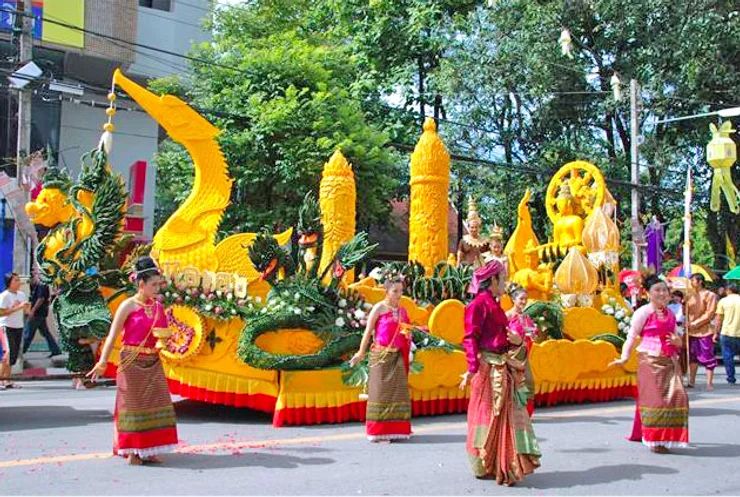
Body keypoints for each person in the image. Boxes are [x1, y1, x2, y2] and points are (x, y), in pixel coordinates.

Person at [87, 256, 178, 465]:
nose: (157, 288)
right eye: (153, 284)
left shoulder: (157, 307)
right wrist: (102, 362)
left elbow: (162, 336)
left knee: (154, 404)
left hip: (153, 362)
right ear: (141, 284)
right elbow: (112, 336)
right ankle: (133, 451)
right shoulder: (127, 306)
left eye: (159, 284)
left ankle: (149, 449)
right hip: (131, 363)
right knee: (133, 406)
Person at [460, 260, 540, 485]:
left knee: (504, 416)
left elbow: (502, 336)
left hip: (501, 365)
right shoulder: (478, 305)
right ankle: (485, 462)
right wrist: (472, 369)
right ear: (492, 281)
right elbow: (470, 338)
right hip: (488, 369)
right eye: (502, 279)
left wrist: (517, 342)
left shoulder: (494, 304)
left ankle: (498, 462)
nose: (505, 283)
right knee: (487, 415)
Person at [609, 275, 688, 453]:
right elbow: (631, 336)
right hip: (649, 360)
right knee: (656, 400)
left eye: (664, 290)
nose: (662, 293)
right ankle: (655, 440)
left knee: (677, 397)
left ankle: (665, 434)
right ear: (647, 293)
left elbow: (677, 336)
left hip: (669, 360)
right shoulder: (643, 312)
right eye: (657, 290)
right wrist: (624, 357)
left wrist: (678, 342)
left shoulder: (671, 314)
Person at [350, 274, 412, 442]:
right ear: (386, 291)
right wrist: (360, 353)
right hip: (381, 357)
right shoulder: (379, 308)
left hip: (397, 357)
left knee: (397, 395)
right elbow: (368, 332)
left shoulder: (403, 311)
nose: (399, 294)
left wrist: (408, 336)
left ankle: (397, 430)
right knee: (380, 395)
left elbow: (406, 332)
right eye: (395, 291)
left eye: (401, 291)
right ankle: (379, 432)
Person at [505, 284, 537, 416]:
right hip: (511, 355)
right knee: (511, 384)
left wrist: (533, 334)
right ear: (513, 299)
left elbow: (533, 334)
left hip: (524, 355)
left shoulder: (526, 318)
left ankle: (525, 413)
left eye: (526, 299)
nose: (524, 302)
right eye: (521, 299)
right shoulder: (507, 316)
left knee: (528, 382)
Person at [685, 274, 718, 390]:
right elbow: (686, 312)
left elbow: (710, 313)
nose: (691, 282)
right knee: (692, 357)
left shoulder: (710, 295)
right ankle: (692, 381)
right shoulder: (689, 295)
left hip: (705, 331)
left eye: (693, 280)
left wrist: (696, 323)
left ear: (700, 282)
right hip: (691, 331)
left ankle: (709, 383)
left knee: (707, 356)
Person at [0, 273, 31, 388]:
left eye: (19, 280)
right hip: (6, 326)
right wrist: (18, 307)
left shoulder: (22, 295)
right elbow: (1, 312)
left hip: (18, 326)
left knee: (13, 354)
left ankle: (7, 380)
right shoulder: (4, 296)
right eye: (16, 280)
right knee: (8, 352)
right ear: (9, 283)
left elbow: (26, 311)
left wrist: (27, 308)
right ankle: (1, 379)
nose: (19, 283)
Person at [22, 271, 62, 358]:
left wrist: (32, 311)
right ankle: (55, 350)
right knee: (45, 332)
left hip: (38, 313)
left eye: (35, 275)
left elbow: (41, 299)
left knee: (28, 333)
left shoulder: (41, 285)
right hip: (41, 313)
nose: (34, 277)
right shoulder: (38, 285)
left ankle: (21, 352)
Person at [714, 282, 740, 385]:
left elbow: (719, 319)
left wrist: (716, 332)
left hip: (727, 332)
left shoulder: (723, 301)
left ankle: (731, 378)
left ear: (728, 291)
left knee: (728, 357)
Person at [457, 196, 489, 267]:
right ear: (468, 227)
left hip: (482, 271)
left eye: (476, 227)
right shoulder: (463, 241)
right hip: (467, 271)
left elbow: (490, 257)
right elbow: (459, 257)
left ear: (479, 228)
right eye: (472, 227)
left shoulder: (485, 242)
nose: (474, 229)